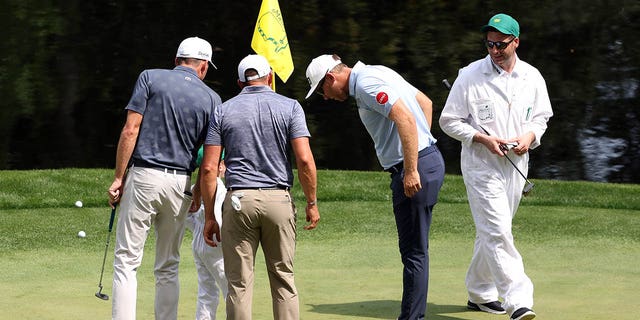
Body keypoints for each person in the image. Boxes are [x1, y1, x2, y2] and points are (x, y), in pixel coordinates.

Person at [304, 54, 445, 320]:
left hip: (414, 168)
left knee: (414, 252)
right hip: (425, 160)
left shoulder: (367, 85)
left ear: (331, 78)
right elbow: (425, 103)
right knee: (415, 249)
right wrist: (420, 147)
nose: (325, 96)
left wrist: (412, 167)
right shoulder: (376, 71)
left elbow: (405, 119)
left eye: (322, 89)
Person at [439, 13, 553, 320]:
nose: (494, 50)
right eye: (489, 44)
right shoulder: (470, 75)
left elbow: (541, 117)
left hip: (517, 162)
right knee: (498, 230)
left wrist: (530, 137)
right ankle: (519, 302)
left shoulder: (532, 76)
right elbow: (448, 121)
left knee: (491, 232)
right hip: (481, 165)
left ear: (516, 42)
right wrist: (480, 138)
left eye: (501, 44)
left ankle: (479, 291)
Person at [107, 36, 222, 320]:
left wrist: (119, 178)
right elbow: (210, 161)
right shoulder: (212, 98)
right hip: (180, 184)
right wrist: (197, 195)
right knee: (168, 265)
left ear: (176, 60)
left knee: (126, 261)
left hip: (143, 176)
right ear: (204, 66)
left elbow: (130, 130)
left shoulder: (149, 78)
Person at [200, 54, 320, 319]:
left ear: (240, 83)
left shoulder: (223, 109)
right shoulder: (291, 107)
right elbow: (304, 160)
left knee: (239, 284)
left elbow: (209, 168)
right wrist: (311, 202)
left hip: (238, 201)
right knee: (283, 279)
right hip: (278, 199)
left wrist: (210, 215)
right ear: (270, 78)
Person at [185, 147, 228, 320]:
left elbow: (186, 216)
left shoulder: (195, 188)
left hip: (199, 242)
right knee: (231, 290)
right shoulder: (219, 188)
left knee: (206, 290)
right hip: (216, 243)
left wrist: (197, 227)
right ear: (220, 166)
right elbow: (219, 218)